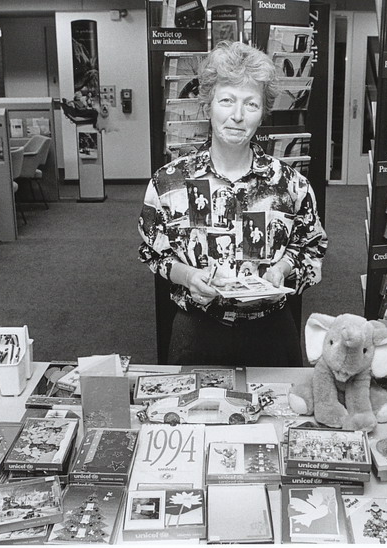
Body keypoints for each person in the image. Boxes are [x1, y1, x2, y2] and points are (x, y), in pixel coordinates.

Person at [138, 41, 327, 367]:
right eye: (227, 100)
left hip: (271, 333)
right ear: (207, 105)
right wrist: (188, 276)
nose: (237, 116)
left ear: (263, 113)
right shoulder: (168, 182)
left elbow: (311, 248)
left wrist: (281, 270)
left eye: (251, 104)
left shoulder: (291, 185)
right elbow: (154, 252)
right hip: (196, 331)